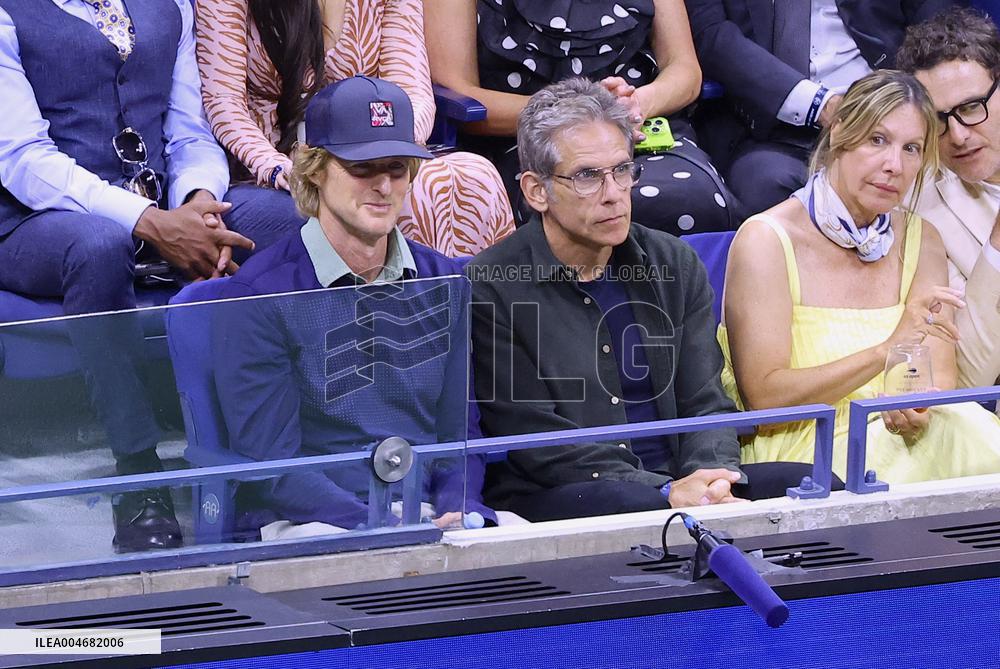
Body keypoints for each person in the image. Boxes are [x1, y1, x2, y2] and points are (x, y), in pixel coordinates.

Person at [0, 0, 302, 552]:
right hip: (34, 220)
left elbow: (189, 132)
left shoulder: (171, 4)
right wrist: (146, 220)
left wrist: (199, 203)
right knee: (98, 246)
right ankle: (138, 475)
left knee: (284, 221)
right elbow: (22, 159)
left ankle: (275, 461)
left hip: (166, 205)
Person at [467, 78, 817, 523]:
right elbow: (538, 441)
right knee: (636, 505)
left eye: (622, 170)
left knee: (813, 483)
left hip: (682, 482)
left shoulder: (673, 262)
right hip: (565, 490)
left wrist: (712, 480)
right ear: (537, 191)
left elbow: (705, 403)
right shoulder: (493, 283)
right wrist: (663, 490)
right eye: (587, 176)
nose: (613, 193)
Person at [210, 76, 495, 537]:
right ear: (314, 169)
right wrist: (373, 523)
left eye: (397, 168)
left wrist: (457, 505)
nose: (383, 185)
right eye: (362, 167)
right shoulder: (259, 295)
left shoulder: (445, 280)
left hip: (423, 513)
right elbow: (273, 464)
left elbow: (460, 434)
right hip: (313, 520)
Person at [719, 69, 1000, 484]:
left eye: (911, 149)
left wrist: (917, 407)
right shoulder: (766, 240)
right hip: (808, 450)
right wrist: (884, 353)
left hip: (909, 434)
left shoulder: (922, 238)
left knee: (966, 429)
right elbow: (766, 400)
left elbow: (940, 376)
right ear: (838, 133)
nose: (894, 166)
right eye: (877, 140)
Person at [195, 0, 515, 258]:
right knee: (389, 194)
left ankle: (470, 312)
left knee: (472, 175)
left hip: (376, 146)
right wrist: (275, 166)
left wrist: (395, 150)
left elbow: (412, 92)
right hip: (271, 169)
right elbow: (225, 104)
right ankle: (394, 313)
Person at [425, 0, 742, 235]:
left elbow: (685, 70)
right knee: (582, 202)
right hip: (532, 140)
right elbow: (457, 91)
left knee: (698, 199)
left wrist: (638, 102)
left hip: (638, 129)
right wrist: (572, 113)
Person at [686, 0, 957, 215]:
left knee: (930, 182)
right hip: (769, 124)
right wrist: (821, 105)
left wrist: (899, 102)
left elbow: (940, 27)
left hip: (892, 106)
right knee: (765, 185)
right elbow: (711, 35)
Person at [897, 7, 1000, 390]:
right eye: (939, 119)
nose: (957, 135)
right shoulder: (915, 207)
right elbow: (968, 378)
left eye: (971, 107)